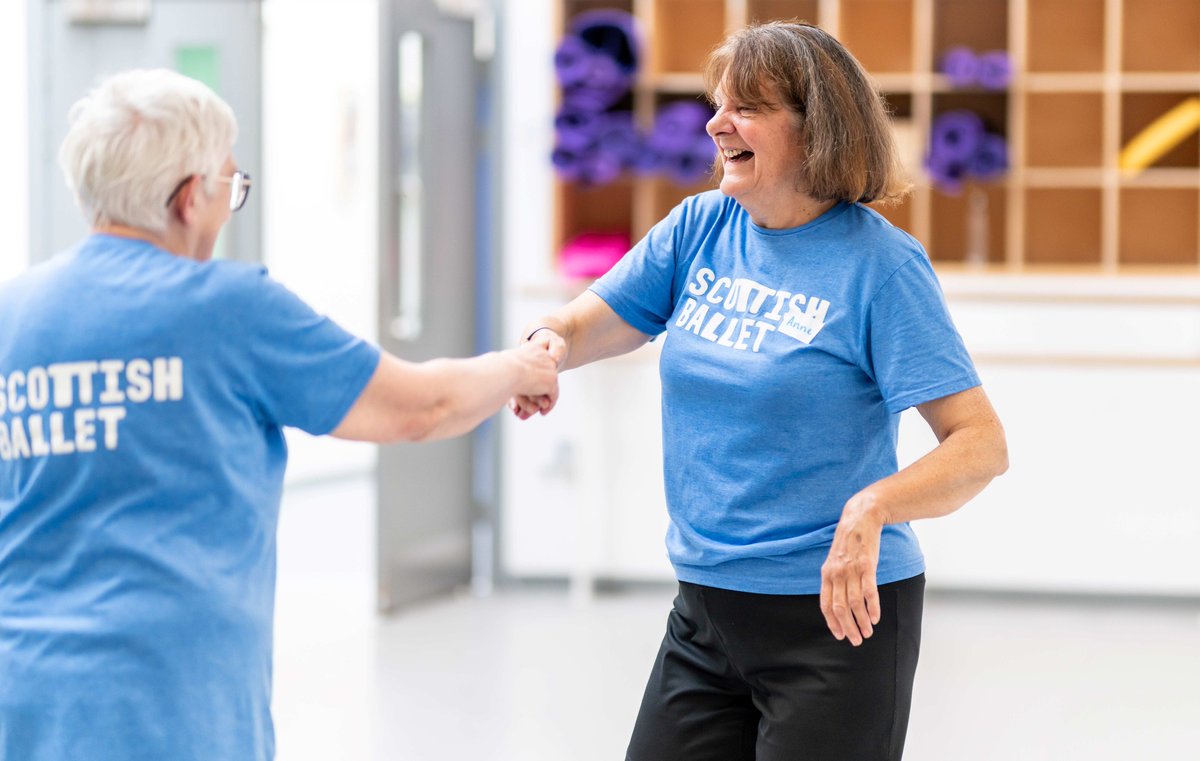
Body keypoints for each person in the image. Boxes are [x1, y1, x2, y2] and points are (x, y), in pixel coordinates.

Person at [0, 68, 557, 761]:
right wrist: (518, 366)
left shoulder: (13, 312)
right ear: (187, 198)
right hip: (169, 701)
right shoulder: (227, 306)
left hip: (22, 695)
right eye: (230, 187)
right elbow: (421, 406)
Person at [512, 21, 1008, 761]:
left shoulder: (880, 266)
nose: (716, 124)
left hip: (837, 624)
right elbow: (590, 323)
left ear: (817, 130)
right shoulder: (700, 227)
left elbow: (980, 444)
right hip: (705, 615)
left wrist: (874, 505)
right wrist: (548, 340)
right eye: (718, 104)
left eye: (745, 107)